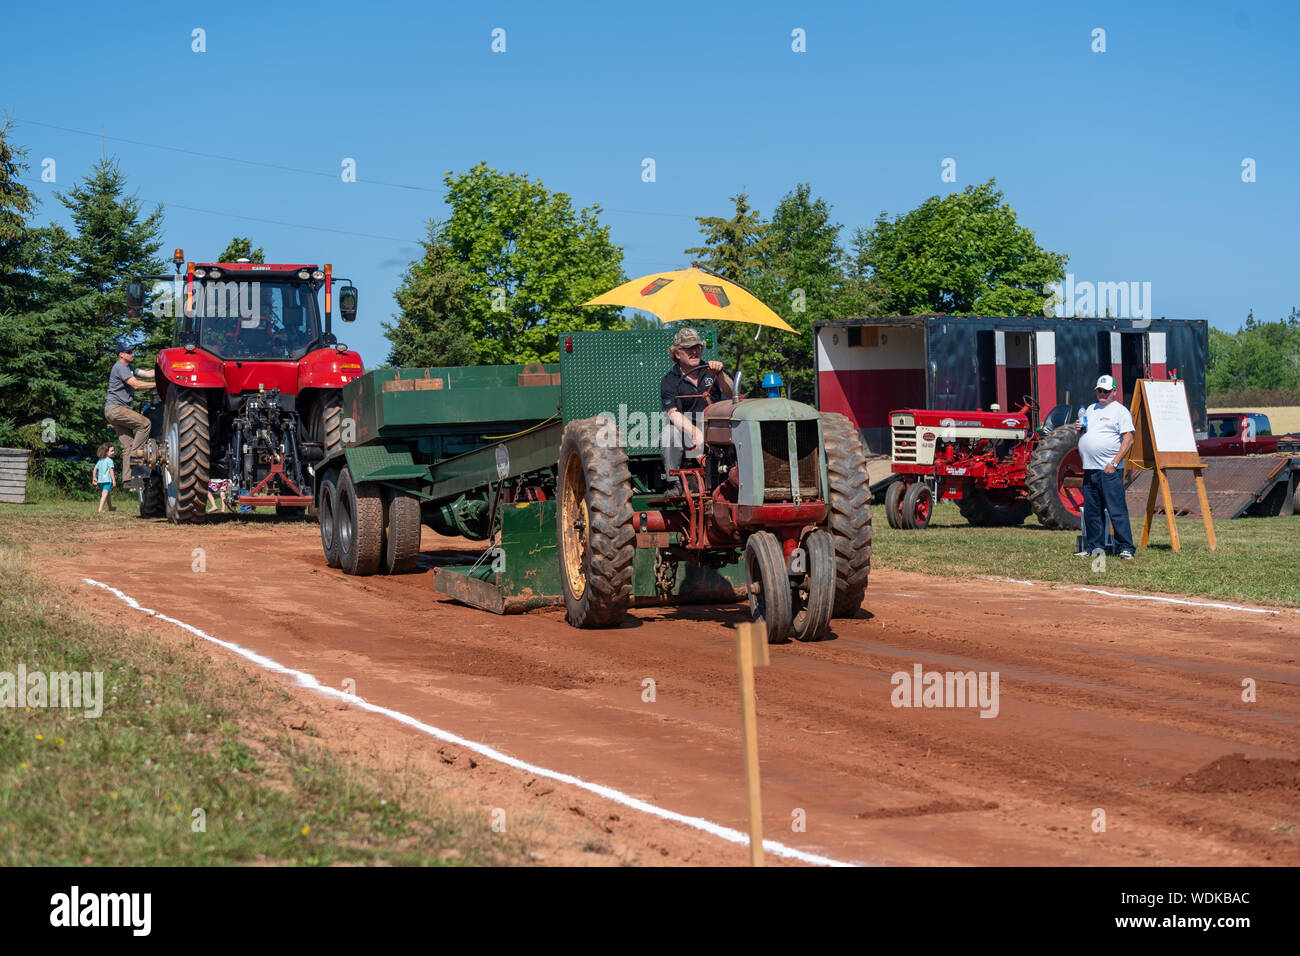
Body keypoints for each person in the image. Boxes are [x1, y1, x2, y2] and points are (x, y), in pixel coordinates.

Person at [659, 327, 733, 486]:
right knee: (669, 434)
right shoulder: (669, 380)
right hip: (687, 430)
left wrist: (720, 374)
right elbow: (673, 413)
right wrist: (695, 433)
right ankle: (675, 484)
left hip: (715, 426)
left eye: (697, 347)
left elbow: (733, 394)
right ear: (677, 354)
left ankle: (737, 479)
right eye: (688, 348)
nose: (694, 351)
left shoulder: (712, 371)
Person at [1075, 374, 1136, 559]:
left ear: (1114, 392)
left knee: (1116, 510)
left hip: (1109, 470)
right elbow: (1083, 438)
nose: (1102, 394)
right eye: (1099, 390)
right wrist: (1079, 432)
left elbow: (1129, 439)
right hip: (1090, 468)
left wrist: (1115, 463)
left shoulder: (1120, 411)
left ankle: (1125, 547)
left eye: (1106, 391)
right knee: (1092, 512)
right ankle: (1094, 547)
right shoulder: (1091, 410)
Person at [104, 342, 156, 487]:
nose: (132, 354)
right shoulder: (120, 367)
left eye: (132, 352)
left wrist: (163, 368)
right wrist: (157, 383)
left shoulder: (129, 368)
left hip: (113, 411)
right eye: (128, 352)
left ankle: (128, 479)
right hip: (116, 409)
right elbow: (136, 385)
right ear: (121, 354)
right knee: (145, 424)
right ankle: (136, 456)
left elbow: (147, 374)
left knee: (127, 445)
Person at [92, 443, 117, 513]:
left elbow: (95, 469)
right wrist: (114, 480)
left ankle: (110, 507)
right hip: (107, 481)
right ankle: (100, 509)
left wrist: (94, 477)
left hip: (100, 481)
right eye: (111, 451)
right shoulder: (110, 461)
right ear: (106, 452)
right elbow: (111, 471)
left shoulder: (100, 460)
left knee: (108, 493)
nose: (113, 452)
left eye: (113, 450)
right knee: (105, 494)